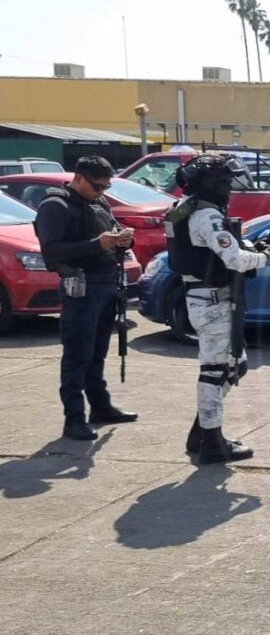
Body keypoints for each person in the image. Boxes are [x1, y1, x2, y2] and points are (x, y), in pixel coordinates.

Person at [164, 154, 270, 465]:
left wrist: (250, 247)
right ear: (213, 183)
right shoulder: (206, 216)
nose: (229, 188)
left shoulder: (187, 208)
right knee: (215, 371)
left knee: (235, 365)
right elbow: (235, 260)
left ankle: (202, 432)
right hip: (212, 301)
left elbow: (219, 251)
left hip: (205, 298)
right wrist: (267, 256)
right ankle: (212, 443)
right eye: (226, 182)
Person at [34, 155, 138, 441]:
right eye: (97, 186)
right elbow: (51, 253)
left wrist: (123, 240)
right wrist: (97, 244)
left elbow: (111, 233)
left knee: (97, 352)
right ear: (78, 178)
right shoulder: (55, 206)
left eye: (105, 187)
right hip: (80, 288)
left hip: (106, 285)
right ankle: (74, 419)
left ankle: (100, 407)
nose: (101, 191)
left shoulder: (99, 203)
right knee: (77, 355)